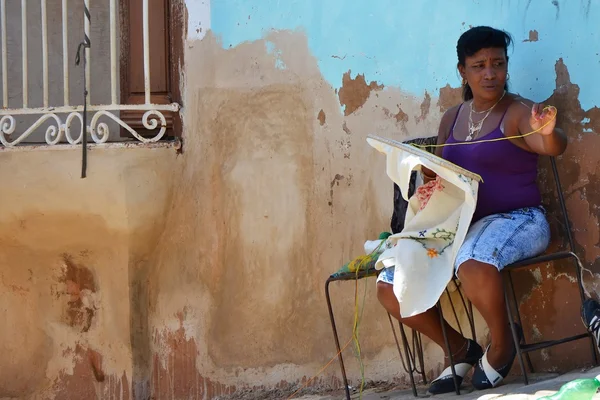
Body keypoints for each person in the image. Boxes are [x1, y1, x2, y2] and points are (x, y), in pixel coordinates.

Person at [376, 26, 567, 394]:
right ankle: (460, 350)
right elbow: (447, 174)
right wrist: (431, 177)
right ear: (462, 71)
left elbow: (553, 147)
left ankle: (501, 346)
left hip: (519, 219)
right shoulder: (452, 118)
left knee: (473, 262)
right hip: (461, 224)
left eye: (498, 63)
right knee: (390, 283)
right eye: (479, 65)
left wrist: (547, 132)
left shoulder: (518, 111)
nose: (490, 73)